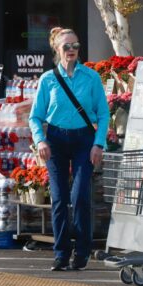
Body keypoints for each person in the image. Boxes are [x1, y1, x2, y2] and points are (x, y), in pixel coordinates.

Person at [29, 27, 109, 271]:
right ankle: (61, 253)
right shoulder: (48, 79)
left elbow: (104, 113)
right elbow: (35, 117)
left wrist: (98, 143)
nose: (72, 50)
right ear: (57, 49)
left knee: (80, 196)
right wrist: (40, 140)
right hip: (55, 140)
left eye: (75, 45)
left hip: (84, 139)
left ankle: (82, 251)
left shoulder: (91, 77)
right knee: (60, 197)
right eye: (67, 46)